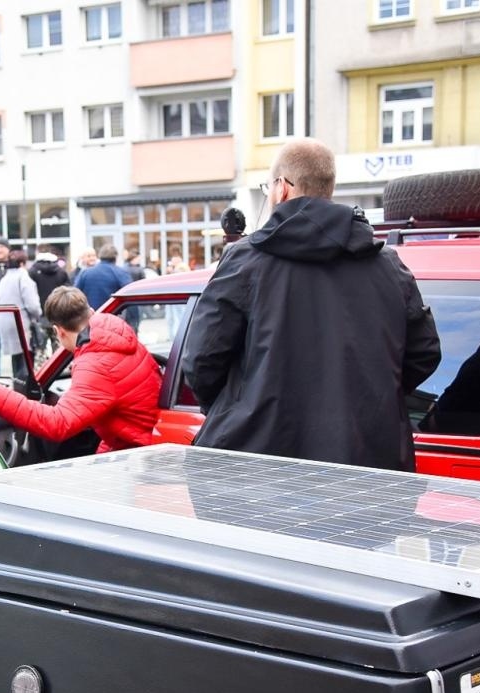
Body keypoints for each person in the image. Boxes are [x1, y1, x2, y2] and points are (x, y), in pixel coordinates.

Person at [181, 138, 442, 470]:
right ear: (328, 191)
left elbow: (201, 359)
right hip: (366, 464)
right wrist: (370, 396)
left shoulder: (245, 261)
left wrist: (240, 405)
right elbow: (425, 352)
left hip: (255, 467)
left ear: (281, 188)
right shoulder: (388, 265)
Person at [0, 286, 161, 454]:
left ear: (58, 332)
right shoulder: (114, 332)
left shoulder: (95, 364)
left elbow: (58, 423)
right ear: (90, 312)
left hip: (138, 455)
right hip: (134, 441)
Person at [0, 251, 41, 379]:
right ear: (22, 263)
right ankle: (25, 391)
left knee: (16, 360)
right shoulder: (23, 277)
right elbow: (32, 305)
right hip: (20, 323)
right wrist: (38, 315)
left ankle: (18, 387)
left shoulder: (4, 279)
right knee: (26, 362)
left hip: (4, 323)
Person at [75, 244, 132, 310]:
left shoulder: (85, 273)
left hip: (89, 315)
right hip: (113, 315)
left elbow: (75, 294)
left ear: (100, 256)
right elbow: (130, 296)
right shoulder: (121, 273)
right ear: (116, 257)